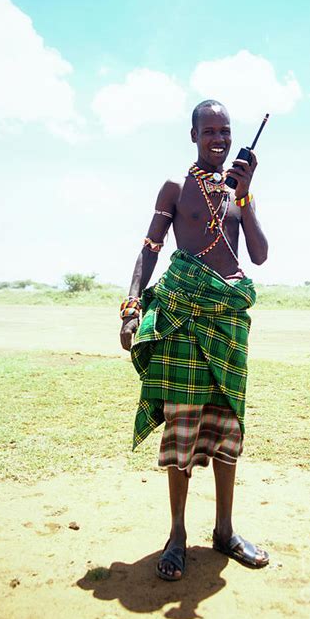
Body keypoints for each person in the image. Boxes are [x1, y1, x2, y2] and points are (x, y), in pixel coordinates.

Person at [120, 99, 269, 580]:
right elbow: (149, 250)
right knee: (182, 426)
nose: (219, 140)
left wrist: (245, 197)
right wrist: (131, 307)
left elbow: (261, 256)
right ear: (193, 135)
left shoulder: (236, 193)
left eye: (225, 131)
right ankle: (177, 535)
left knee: (228, 426)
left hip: (227, 316)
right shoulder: (174, 188)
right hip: (183, 318)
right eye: (209, 131)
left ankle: (224, 531)